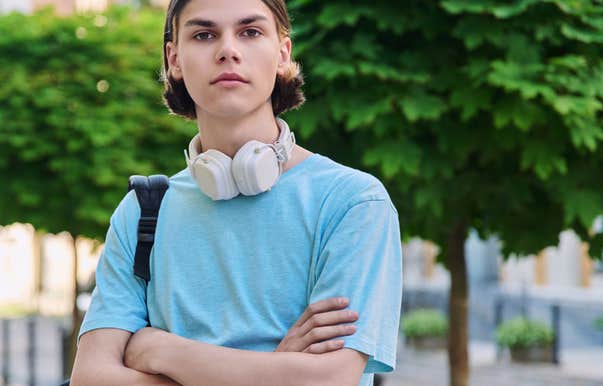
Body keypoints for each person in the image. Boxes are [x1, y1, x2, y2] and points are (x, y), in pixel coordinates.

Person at [72, 0, 402, 385]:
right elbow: (92, 378)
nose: (228, 50)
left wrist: (161, 350)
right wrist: (274, 370)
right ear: (174, 59)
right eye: (204, 34)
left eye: (250, 32)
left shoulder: (353, 202)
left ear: (282, 54)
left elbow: (326, 380)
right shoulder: (144, 211)